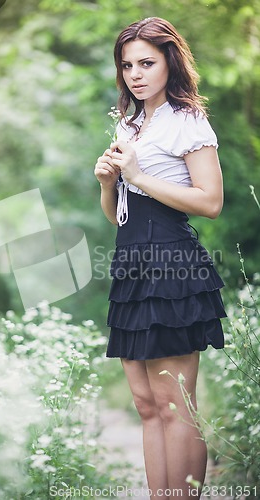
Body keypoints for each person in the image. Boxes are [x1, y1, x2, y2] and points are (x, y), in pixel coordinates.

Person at [94, 17, 227, 500]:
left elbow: (210, 202)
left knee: (176, 407)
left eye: (147, 62)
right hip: (132, 268)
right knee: (147, 406)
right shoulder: (129, 124)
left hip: (172, 268)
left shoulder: (188, 120)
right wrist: (109, 181)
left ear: (171, 61)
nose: (135, 73)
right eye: (127, 64)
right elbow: (116, 218)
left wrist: (138, 173)